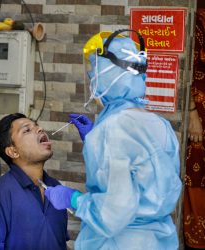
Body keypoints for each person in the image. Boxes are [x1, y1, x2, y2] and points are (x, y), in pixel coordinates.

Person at [44, 30, 182, 249]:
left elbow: (112, 214)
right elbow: (149, 180)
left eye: (93, 69)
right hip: (158, 241)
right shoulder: (159, 124)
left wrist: (73, 199)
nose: (91, 77)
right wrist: (95, 140)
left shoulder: (112, 129)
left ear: (108, 73)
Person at [0, 113, 69, 250]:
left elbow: (60, 244)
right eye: (27, 130)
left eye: (37, 125)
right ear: (13, 151)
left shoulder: (56, 187)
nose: (39, 129)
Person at [183, 8, 205, 250]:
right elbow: (185, 62)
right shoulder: (198, 16)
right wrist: (191, 112)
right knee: (197, 179)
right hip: (200, 111)